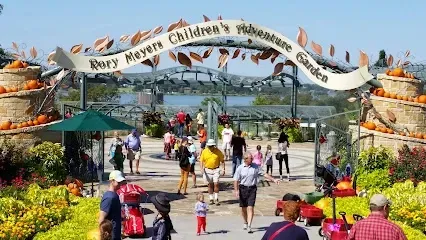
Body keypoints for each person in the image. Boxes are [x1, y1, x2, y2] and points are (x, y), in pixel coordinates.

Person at [233, 152, 280, 233]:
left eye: (252, 158)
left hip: (252, 189)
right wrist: (236, 190)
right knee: (243, 208)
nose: (252, 159)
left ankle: (249, 226)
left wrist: (274, 179)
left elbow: (264, 174)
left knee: (250, 207)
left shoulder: (255, 167)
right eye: (250, 158)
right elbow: (236, 180)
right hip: (243, 188)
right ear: (245, 159)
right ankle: (245, 222)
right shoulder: (240, 168)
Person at [99, 170, 126, 240]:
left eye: (121, 182)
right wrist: (103, 236)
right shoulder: (109, 198)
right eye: (118, 182)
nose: (120, 184)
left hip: (116, 234)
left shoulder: (114, 195)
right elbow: (101, 218)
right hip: (111, 235)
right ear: (112, 181)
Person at [199, 139, 225, 205]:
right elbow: (201, 160)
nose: (210, 147)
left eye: (211, 146)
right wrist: (201, 168)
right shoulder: (204, 151)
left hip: (216, 169)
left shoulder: (218, 152)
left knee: (216, 183)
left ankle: (216, 198)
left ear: (214, 146)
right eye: (209, 146)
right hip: (207, 169)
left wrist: (223, 169)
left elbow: (222, 160)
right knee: (210, 184)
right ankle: (211, 198)